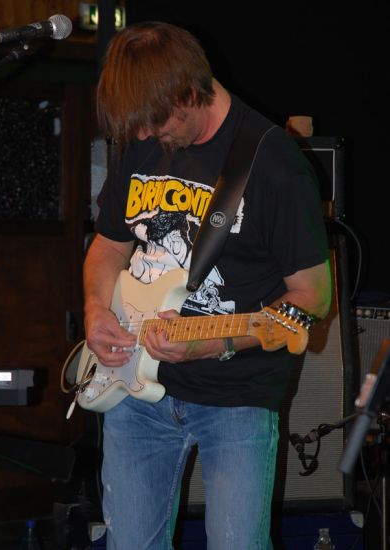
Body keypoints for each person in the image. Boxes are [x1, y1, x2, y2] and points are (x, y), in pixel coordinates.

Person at [83, 20, 332, 550]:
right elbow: (108, 244)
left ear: (188, 92)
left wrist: (211, 344)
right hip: (133, 388)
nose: (145, 137)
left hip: (235, 398)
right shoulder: (143, 140)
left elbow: (312, 298)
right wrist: (95, 309)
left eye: (155, 122)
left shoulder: (274, 165)